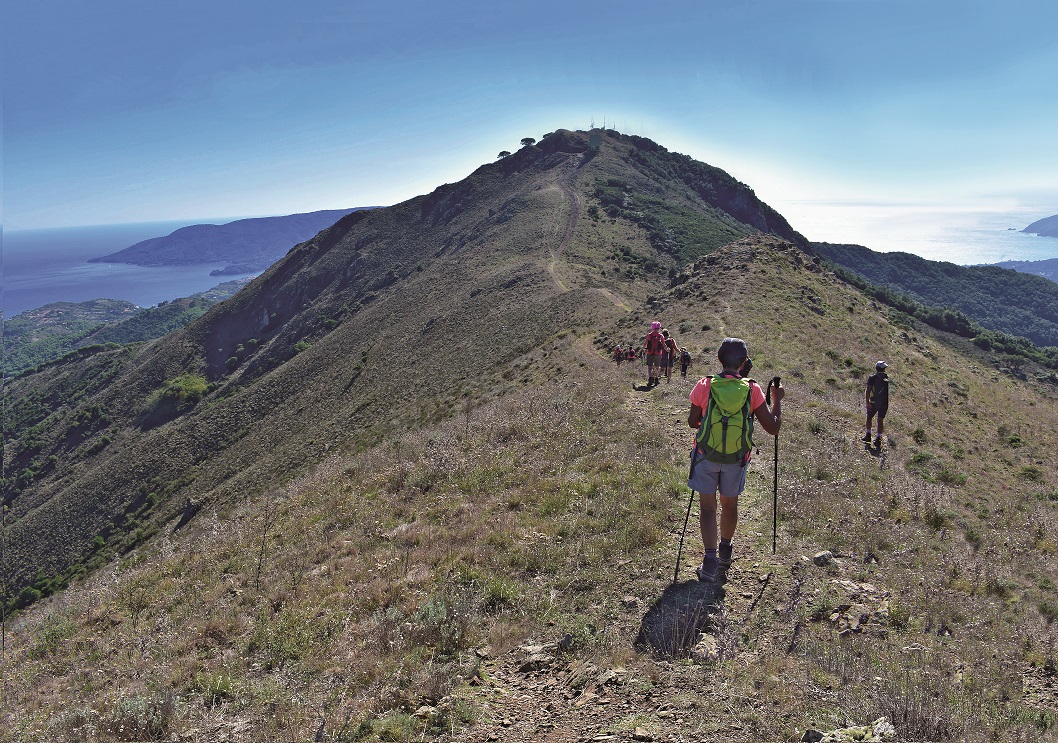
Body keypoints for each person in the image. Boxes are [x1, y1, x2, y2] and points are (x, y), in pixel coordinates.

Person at [686, 338, 783, 581]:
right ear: (743, 363)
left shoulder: (705, 384)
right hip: (736, 459)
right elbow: (772, 428)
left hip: (706, 455)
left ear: (719, 359)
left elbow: (692, 422)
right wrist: (778, 399)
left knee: (708, 508)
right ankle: (725, 551)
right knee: (730, 505)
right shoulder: (752, 389)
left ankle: (709, 562)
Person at [864, 361, 890, 447]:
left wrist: (867, 402)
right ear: (884, 369)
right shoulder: (886, 377)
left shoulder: (873, 378)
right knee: (880, 420)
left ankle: (868, 435)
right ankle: (878, 438)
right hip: (884, 403)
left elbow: (868, 391)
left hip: (874, 402)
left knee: (869, 418)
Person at [643, 321, 666, 387]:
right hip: (658, 352)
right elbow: (664, 344)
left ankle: (650, 379)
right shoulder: (660, 335)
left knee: (650, 366)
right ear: (659, 327)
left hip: (649, 352)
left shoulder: (649, 335)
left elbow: (645, 343)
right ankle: (656, 379)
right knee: (657, 366)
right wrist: (667, 350)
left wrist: (644, 349)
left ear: (652, 327)